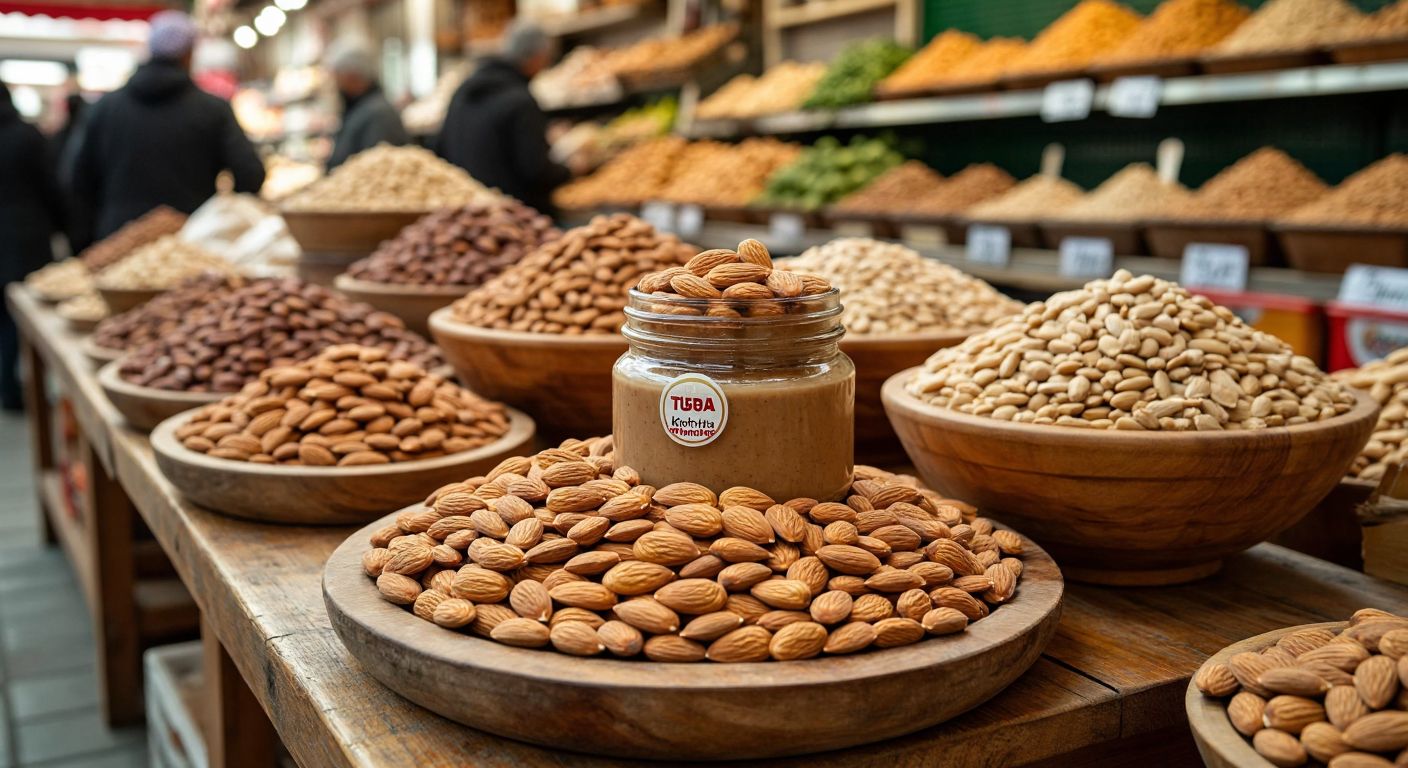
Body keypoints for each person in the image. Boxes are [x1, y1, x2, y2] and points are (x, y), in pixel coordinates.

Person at [69, 10, 265, 240]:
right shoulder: (213, 109)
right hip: (193, 239)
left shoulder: (104, 108)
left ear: (149, 49)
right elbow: (251, 175)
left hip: (118, 240)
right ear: (189, 54)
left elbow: (76, 178)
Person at [436, 20, 569, 214]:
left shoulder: (462, 92)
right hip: (515, 218)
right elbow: (536, 172)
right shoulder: (520, 101)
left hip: (466, 214)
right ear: (537, 57)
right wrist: (570, 171)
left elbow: (442, 150)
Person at [0, 81, 64, 410]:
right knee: (18, 316)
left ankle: (7, 383)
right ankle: (10, 386)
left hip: (21, 232)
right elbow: (51, 185)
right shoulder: (27, 136)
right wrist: (64, 227)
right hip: (23, 235)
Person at [326, 44, 409, 170]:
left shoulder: (379, 115)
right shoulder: (362, 108)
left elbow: (375, 169)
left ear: (352, 76)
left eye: (337, 77)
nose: (335, 85)